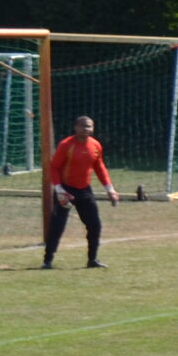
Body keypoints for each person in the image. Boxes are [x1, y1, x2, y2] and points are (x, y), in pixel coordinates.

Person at [44, 115, 122, 269]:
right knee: (58, 225)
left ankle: (92, 260)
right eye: (83, 126)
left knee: (95, 225)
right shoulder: (66, 145)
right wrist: (59, 190)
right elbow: (54, 167)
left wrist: (110, 189)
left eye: (89, 126)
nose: (86, 129)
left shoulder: (95, 145)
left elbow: (99, 167)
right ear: (76, 127)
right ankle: (47, 260)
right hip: (65, 189)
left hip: (84, 190)